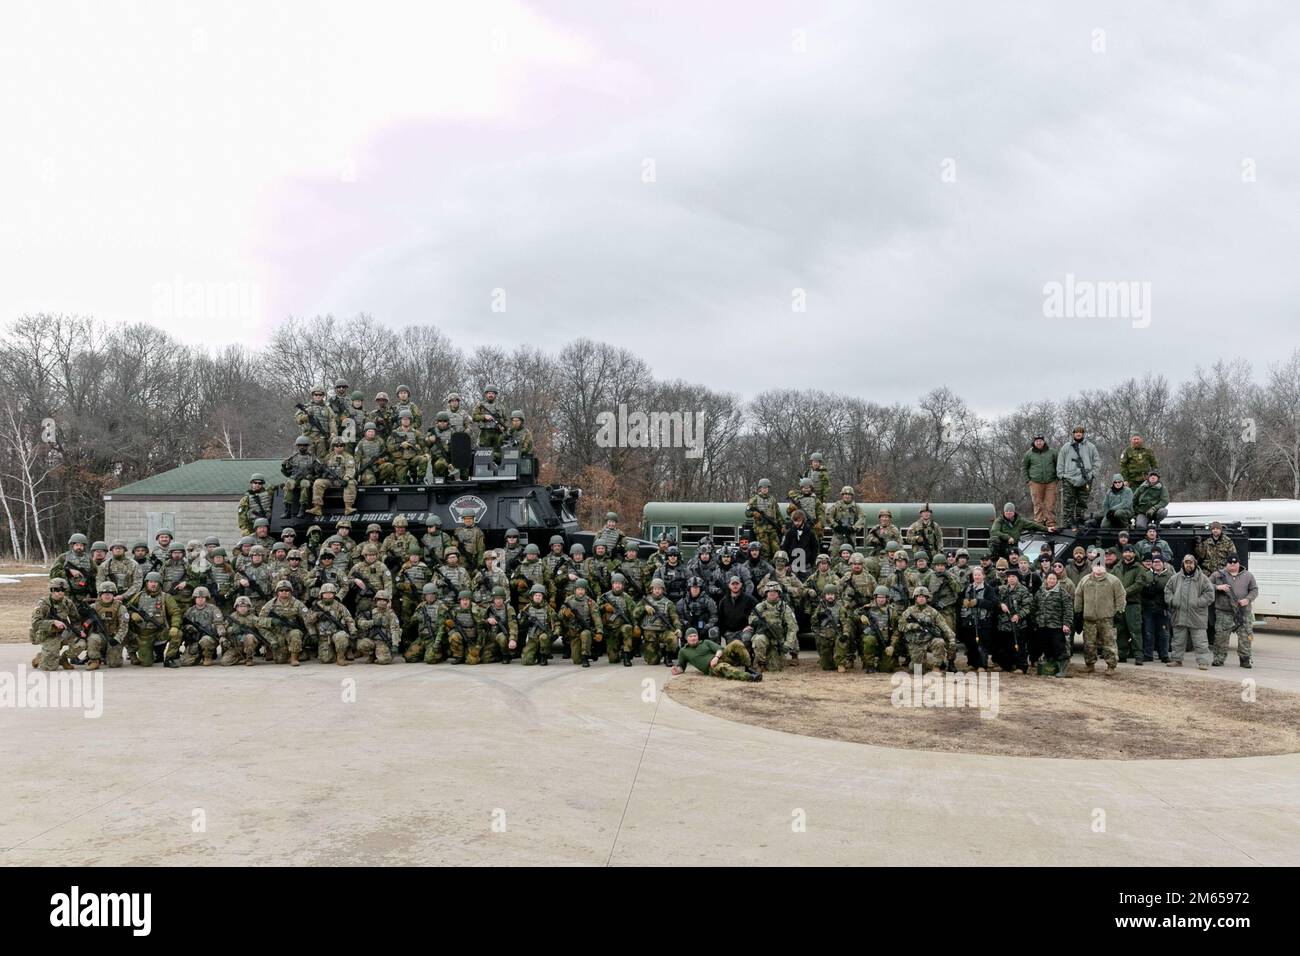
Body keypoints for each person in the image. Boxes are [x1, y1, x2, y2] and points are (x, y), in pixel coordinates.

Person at [1074, 560, 1125, 674]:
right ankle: (1090, 664)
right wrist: (1078, 611)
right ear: (1092, 567)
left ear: (1105, 567)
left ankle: (1111, 666)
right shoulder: (1085, 580)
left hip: (1106, 619)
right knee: (1089, 644)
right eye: (1096, 566)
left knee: (1109, 644)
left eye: (1101, 566)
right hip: (1089, 619)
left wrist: (1119, 611)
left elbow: (1121, 596)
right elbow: (1078, 596)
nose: (1098, 569)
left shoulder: (1113, 580)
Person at [892, 587, 956, 673]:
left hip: (929, 640)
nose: (921, 598)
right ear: (915, 598)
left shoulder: (933, 612)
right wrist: (912, 626)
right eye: (919, 596)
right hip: (916, 643)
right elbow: (900, 627)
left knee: (939, 642)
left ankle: (936, 666)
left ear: (927, 598)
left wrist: (951, 637)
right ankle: (922, 664)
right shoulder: (908, 612)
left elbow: (944, 625)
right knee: (917, 671)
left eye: (923, 597)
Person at [1165, 554, 1214, 670]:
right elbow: (1167, 591)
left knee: (1200, 641)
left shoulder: (1203, 579)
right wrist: (1172, 601)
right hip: (1179, 615)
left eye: (1190, 563)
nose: (1188, 565)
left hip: (1197, 616)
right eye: (1186, 563)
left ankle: (1203, 662)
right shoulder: (1175, 578)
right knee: (1178, 640)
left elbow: (1210, 595)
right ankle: (1177, 660)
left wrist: (1197, 602)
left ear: (1195, 564)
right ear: (1183, 564)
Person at [1209, 555, 1258, 668]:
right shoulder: (1218, 575)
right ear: (1226, 563)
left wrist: (1248, 599)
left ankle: (1245, 659)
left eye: (1235, 563)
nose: (1232, 564)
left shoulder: (1248, 575)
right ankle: (1218, 659)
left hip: (1243, 612)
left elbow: (1254, 590)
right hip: (1224, 612)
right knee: (1221, 637)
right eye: (1230, 562)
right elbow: (1204, 585)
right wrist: (1218, 587)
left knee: (1246, 637)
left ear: (1239, 563)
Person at [745, 581, 799, 672]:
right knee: (758, 639)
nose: (772, 594)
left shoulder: (784, 608)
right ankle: (760, 663)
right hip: (764, 637)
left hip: (778, 640)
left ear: (778, 593)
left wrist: (788, 644)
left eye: (774, 592)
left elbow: (792, 627)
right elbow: (751, 618)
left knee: (775, 668)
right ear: (766, 593)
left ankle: (772, 657)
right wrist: (757, 622)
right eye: (770, 592)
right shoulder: (760, 606)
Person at [671, 627, 761, 681]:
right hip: (711, 668)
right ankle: (750, 677)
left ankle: (749, 667)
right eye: (690, 636)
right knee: (723, 667)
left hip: (719, 658)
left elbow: (720, 648)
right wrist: (677, 670)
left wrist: (716, 657)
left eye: (695, 636)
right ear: (687, 638)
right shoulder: (683, 651)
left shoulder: (705, 642)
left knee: (736, 643)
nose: (693, 638)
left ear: (698, 636)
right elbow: (681, 666)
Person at [30, 579, 81, 671]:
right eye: (57, 590)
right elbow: (35, 623)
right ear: (51, 590)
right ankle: (41, 657)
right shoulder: (43, 604)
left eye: (63, 590)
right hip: (49, 635)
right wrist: (53, 622)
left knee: (81, 643)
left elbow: (76, 620)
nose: (60, 592)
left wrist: (77, 631)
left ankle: (63, 659)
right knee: (49, 667)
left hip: (64, 633)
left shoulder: (67, 602)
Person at [1057, 425, 1099, 528]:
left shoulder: (1091, 447)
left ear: (1083, 434)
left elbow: (1097, 461)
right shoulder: (1066, 447)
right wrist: (1061, 475)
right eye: (1076, 432)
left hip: (1085, 479)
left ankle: (1079, 524)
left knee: (1082, 503)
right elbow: (1060, 461)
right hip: (1069, 479)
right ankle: (1067, 525)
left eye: (1080, 432)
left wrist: (1093, 474)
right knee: (1068, 504)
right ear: (1074, 434)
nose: (1078, 434)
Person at [1032, 572, 1073, 677]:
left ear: (1057, 580)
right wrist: (1035, 621)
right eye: (1050, 578)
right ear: (1046, 579)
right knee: (1047, 648)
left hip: (1056, 626)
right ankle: (1050, 668)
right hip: (1043, 625)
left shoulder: (1062, 592)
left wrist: (1066, 624)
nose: (1051, 580)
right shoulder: (1040, 592)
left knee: (1059, 648)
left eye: (1054, 579)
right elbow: (1034, 607)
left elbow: (1068, 610)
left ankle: (1063, 670)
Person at [1113, 545, 1146, 665]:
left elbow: (1139, 584)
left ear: (1134, 554)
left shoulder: (1139, 568)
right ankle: (1122, 654)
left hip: (1133, 604)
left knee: (1135, 631)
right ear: (1122, 554)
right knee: (1120, 630)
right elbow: (1111, 580)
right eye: (1126, 551)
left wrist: (1123, 592)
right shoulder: (1117, 567)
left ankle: (1138, 655)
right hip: (1119, 604)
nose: (1128, 554)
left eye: (1130, 552)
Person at [1139, 553, 1173, 664]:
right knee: (1148, 632)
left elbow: (1173, 590)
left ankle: (1164, 655)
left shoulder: (1170, 576)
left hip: (1162, 608)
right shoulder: (1147, 575)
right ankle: (1148, 654)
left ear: (1163, 563)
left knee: (1164, 633)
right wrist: (1147, 591)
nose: (1156, 564)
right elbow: (1141, 589)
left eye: (1159, 562)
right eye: (1154, 562)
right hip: (1148, 608)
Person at [1022, 434, 1059, 525]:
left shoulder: (1052, 452)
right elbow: (1024, 467)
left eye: (1041, 441)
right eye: (1037, 441)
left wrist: (1057, 479)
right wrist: (1028, 480)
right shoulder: (1029, 454)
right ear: (1034, 442)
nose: (1039, 442)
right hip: (1035, 483)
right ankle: (1038, 523)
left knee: (1050, 504)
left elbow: (1059, 465)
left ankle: (1050, 523)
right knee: (1038, 504)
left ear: (1044, 441)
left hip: (1051, 482)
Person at [745, 478, 783, 559]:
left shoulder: (772, 499)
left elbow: (778, 514)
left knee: (777, 550)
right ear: (760, 488)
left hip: (772, 528)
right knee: (765, 552)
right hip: (761, 530)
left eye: (766, 487)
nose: (765, 489)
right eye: (763, 487)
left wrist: (782, 525)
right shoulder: (754, 499)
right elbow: (747, 512)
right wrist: (754, 513)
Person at [826, 486, 865, 555]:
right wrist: (835, 526)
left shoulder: (856, 507)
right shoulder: (836, 506)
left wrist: (853, 528)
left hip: (850, 535)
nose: (847, 496)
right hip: (838, 536)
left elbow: (862, 518)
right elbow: (829, 516)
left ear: (852, 496)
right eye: (845, 494)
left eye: (849, 494)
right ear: (842, 495)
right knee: (834, 555)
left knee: (851, 554)